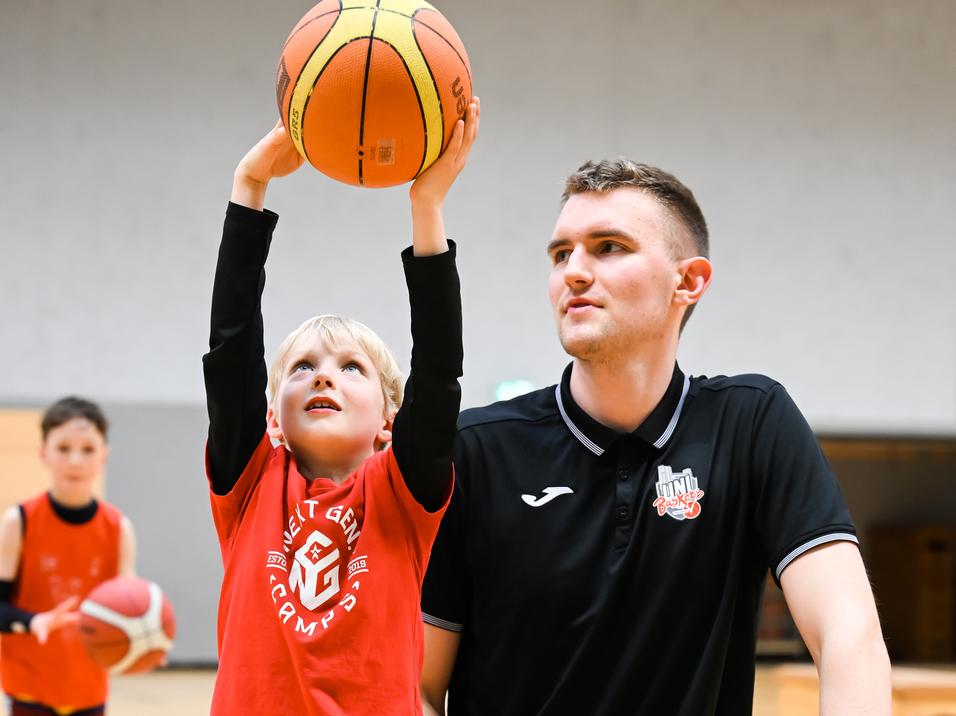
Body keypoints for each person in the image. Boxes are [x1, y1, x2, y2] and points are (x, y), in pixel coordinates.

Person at [420, 159, 891, 715]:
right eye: (560, 253)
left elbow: (848, 635)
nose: (574, 270)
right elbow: (418, 686)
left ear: (688, 282)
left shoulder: (751, 423)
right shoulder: (477, 449)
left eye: (609, 247)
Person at [203, 98, 479, 716]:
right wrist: (250, 187)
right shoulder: (250, 485)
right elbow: (231, 350)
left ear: (390, 420)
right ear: (273, 417)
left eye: (351, 368)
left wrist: (426, 209)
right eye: (302, 368)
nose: (323, 378)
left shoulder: (403, 497)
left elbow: (439, 370)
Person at [0, 396, 136, 716]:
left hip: (89, 689)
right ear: (43, 452)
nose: (75, 460)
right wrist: (33, 622)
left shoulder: (119, 528)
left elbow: (126, 609)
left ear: (104, 455)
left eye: (88, 449)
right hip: (29, 687)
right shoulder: (19, 521)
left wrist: (145, 636)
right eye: (63, 448)